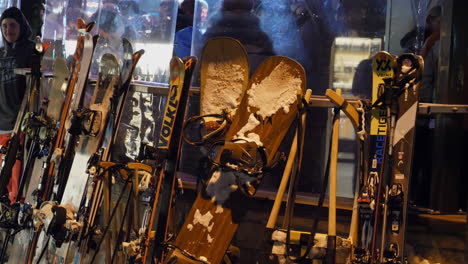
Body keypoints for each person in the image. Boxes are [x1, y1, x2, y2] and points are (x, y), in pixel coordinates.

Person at [0, 7, 35, 203]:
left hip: (18, 125)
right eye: (4, 26)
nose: (8, 30)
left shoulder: (30, 50)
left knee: (16, 181)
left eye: (12, 25)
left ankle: (14, 214)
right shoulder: (0, 53)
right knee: (2, 181)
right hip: (1, 124)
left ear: (21, 26)